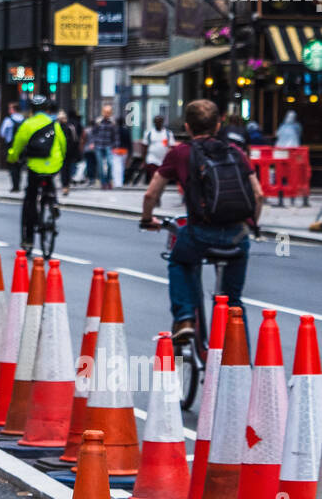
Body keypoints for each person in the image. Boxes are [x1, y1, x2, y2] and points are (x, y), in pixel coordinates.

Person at [140, 98, 263, 345]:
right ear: (218, 125)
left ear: (187, 126)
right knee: (233, 301)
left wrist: (147, 219)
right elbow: (258, 195)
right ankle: (240, 359)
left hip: (201, 233)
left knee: (178, 260)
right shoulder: (235, 152)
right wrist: (251, 225)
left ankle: (185, 317)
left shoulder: (179, 153)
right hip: (237, 236)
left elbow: (151, 193)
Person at [6, 95, 67, 254]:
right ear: (47, 109)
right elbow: (62, 144)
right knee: (49, 180)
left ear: (31, 109)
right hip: (53, 164)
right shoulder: (54, 124)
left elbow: (17, 145)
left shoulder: (27, 124)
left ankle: (28, 240)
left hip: (35, 165)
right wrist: (62, 159)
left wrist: (12, 158)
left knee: (30, 199)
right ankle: (53, 201)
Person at [90, 104, 119, 189]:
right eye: (106, 112)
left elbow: (115, 135)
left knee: (110, 163)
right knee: (100, 165)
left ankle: (109, 180)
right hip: (99, 145)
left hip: (108, 145)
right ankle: (103, 182)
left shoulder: (113, 123)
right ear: (103, 112)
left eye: (109, 112)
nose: (107, 114)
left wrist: (116, 146)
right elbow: (93, 133)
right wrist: (92, 142)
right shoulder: (98, 122)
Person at [0, 101, 25, 192]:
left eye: (10, 108)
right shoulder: (24, 120)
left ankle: (15, 186)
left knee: (12, 166)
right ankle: (18, 184)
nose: (9, 110)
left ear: (13, 109)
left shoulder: (8, 120)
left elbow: (2, 133)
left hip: (11, 147)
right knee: (19, 166)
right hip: (22, 147)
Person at [142, 114, 173, 183]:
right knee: (154, 176)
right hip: (152, 159)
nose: (158, 123)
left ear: (162, 122)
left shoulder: (168, 133)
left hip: (163, 159)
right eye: (156, 122)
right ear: (154, 122)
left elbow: (171, 147)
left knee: (162, 177)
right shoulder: (149, 133)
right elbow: (144, 147)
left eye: (160, 122)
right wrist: (144, 160)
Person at [57, 110, 81, 194]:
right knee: (66, 169)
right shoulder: (69, 127)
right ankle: (66, 185)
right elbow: (75, 140)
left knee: (65, 169)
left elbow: (74, 140)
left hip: (64, 152)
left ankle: (65, 185)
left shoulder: (58, 127)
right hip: (66, 152)